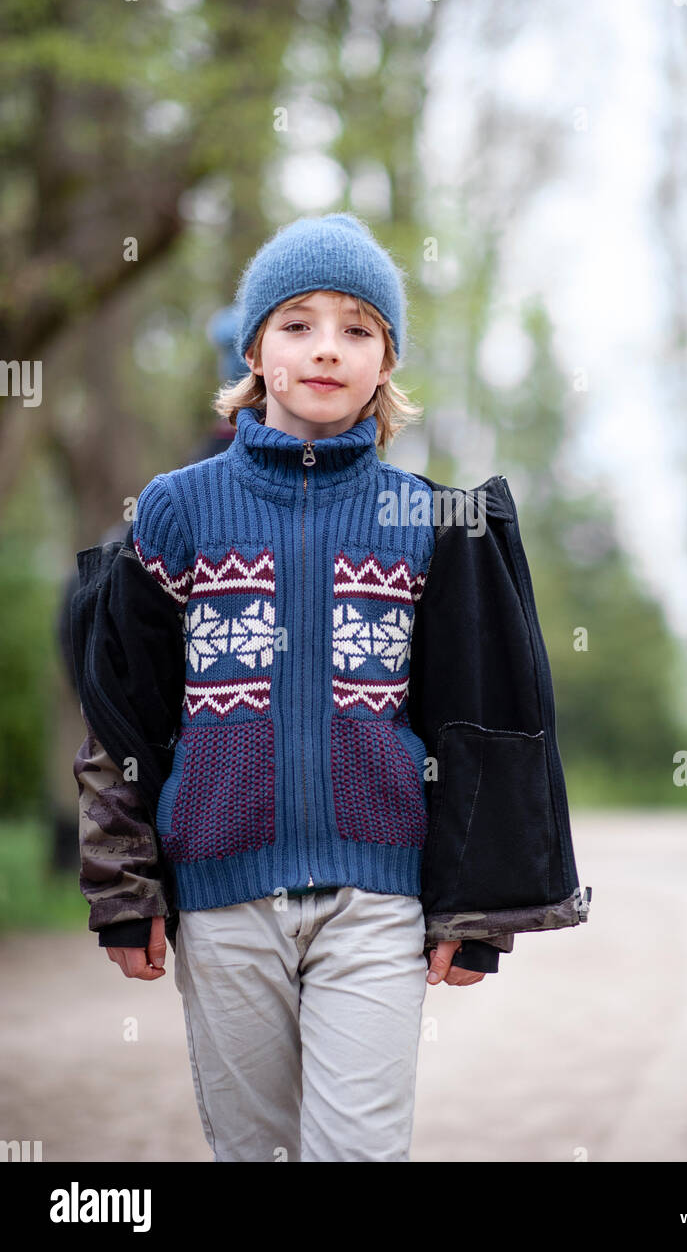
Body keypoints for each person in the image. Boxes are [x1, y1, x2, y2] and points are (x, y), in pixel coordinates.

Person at [95, 212, 486, 1163]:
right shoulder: (177, 510)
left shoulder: (426, 520)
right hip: (224, 896)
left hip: (376, 899)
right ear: (256, 350)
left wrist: (472, 910)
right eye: (298, 324)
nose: (327, 349)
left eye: (358, 329)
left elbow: (470, 728)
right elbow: (123, 716)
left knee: (356, 1153)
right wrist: (124, 889)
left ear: (386, 363)